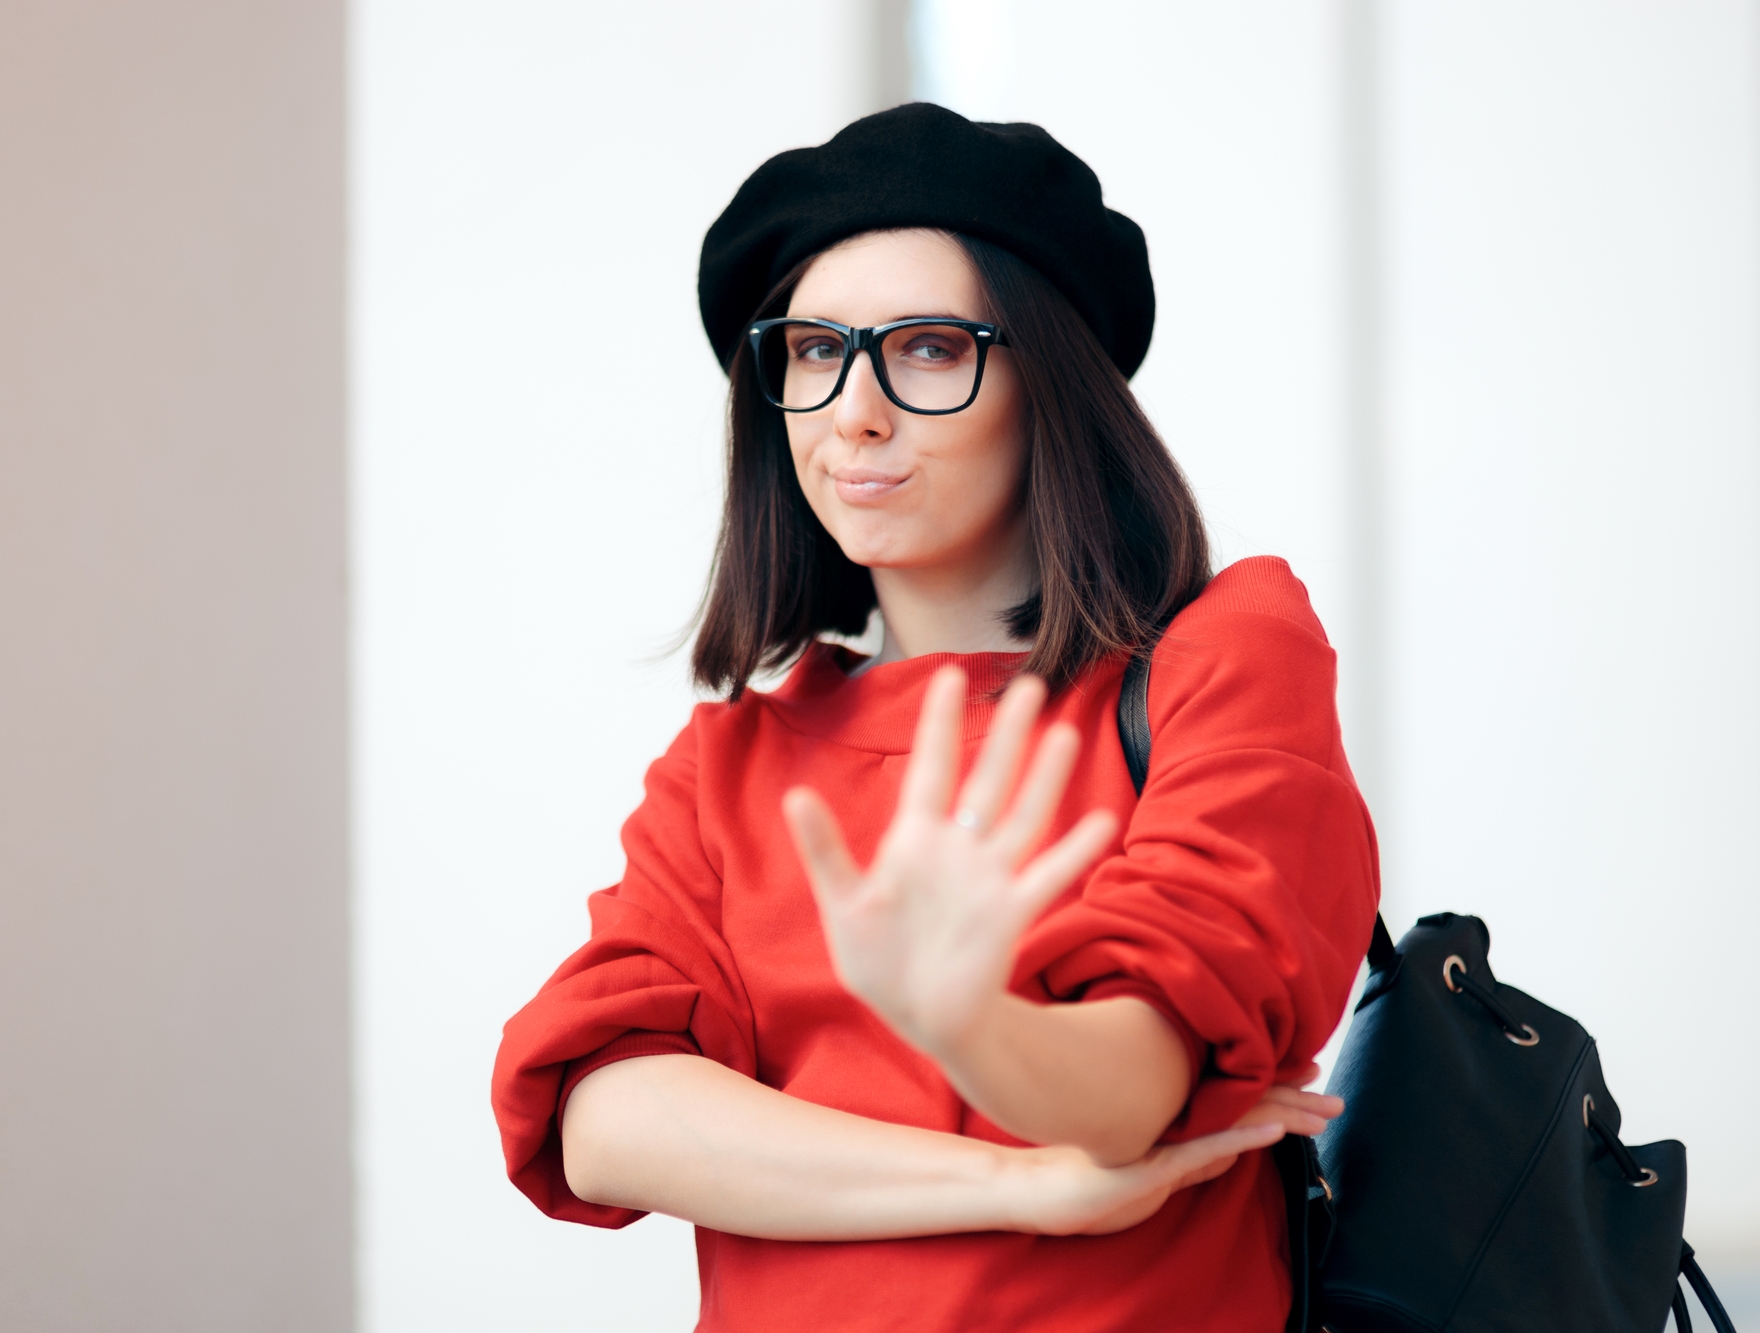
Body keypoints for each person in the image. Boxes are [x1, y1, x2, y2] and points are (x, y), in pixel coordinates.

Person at [491, 103, 1379, 1333]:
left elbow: (1131, 1090)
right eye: (812, 351)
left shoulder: (1221, 656)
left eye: (923, 348)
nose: (852, 409)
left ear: (1051, 384)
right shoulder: (728, 763)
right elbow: (604, 1121)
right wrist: (1021, 1184)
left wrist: (968, 1019)